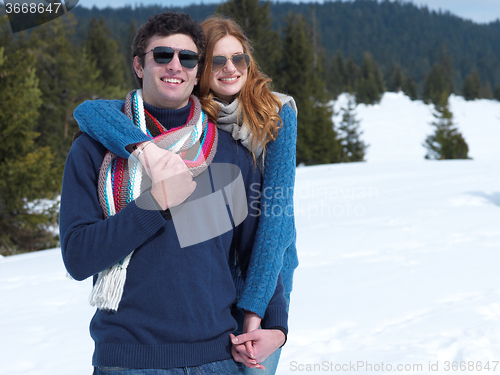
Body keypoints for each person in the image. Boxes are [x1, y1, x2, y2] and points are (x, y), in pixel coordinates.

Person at [60, 12, 288, 374]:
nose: (175, 66)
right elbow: (78, 257)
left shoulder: (230, 153)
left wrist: (276, 325)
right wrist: (154, 205)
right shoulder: (93, 151)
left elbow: (255, 251)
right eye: (162, 55)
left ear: (198, 72)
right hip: (129, 362)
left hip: (217, 359)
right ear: (139, 65)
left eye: (188, 58)